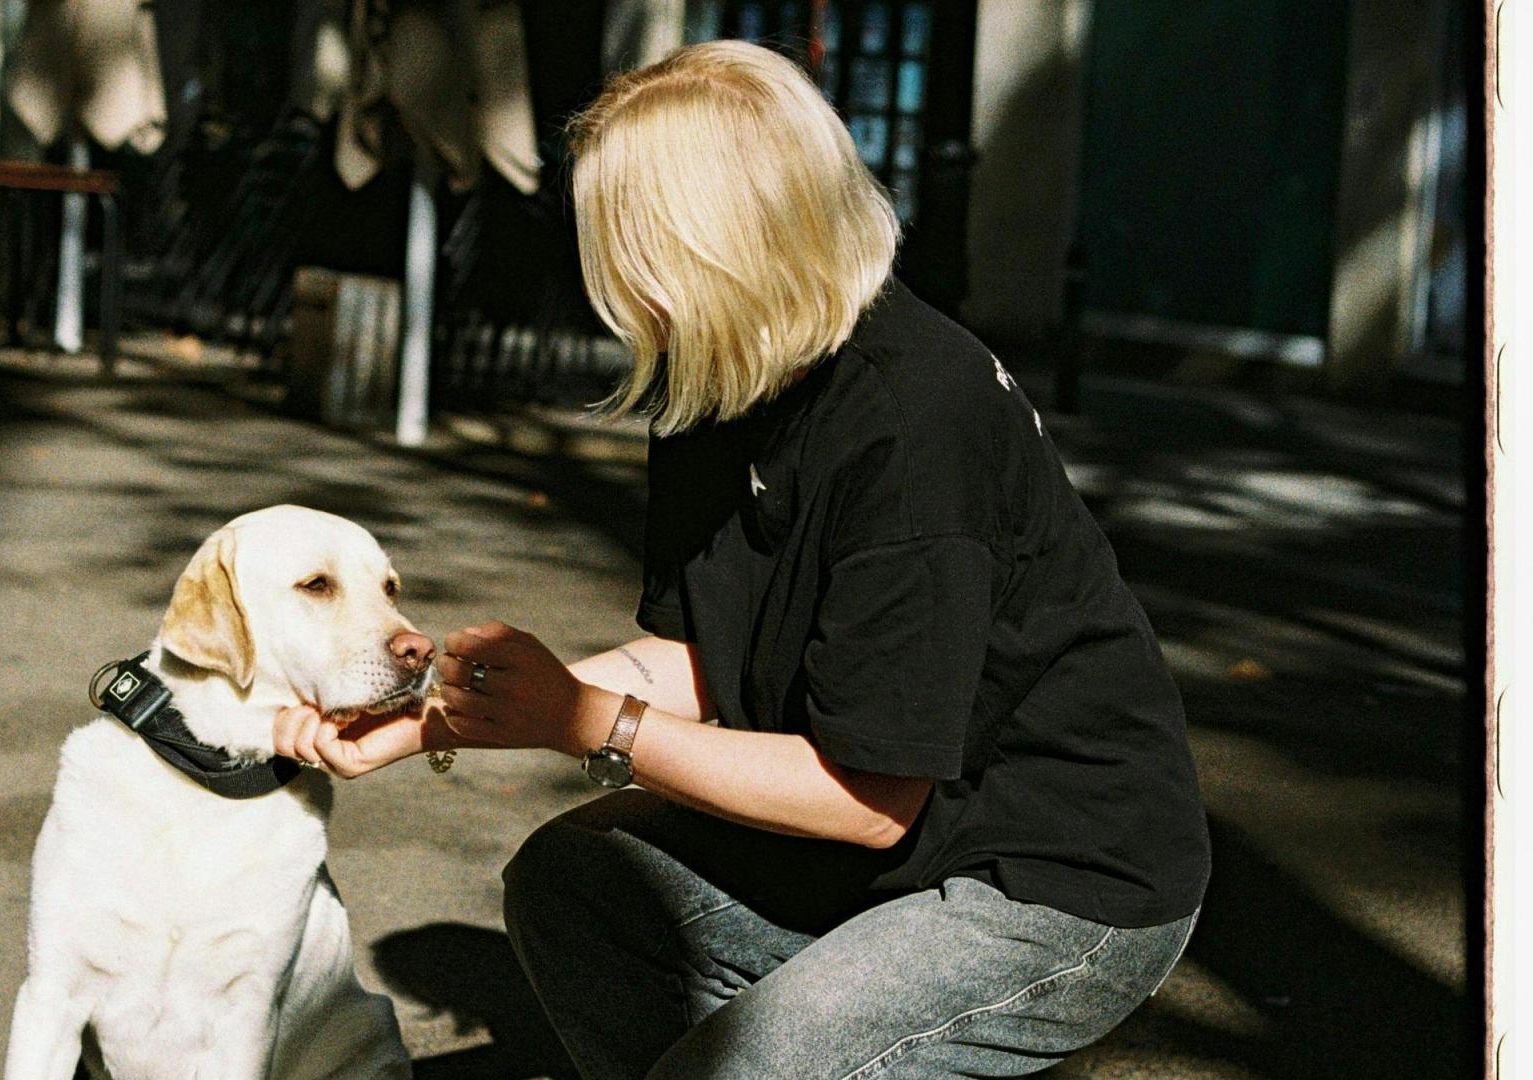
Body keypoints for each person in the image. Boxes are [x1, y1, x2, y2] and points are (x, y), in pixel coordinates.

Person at [272, 39, 1210, 1080]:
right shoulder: (721, 374)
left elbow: (863, 799)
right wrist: (444, 714)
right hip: (894, 841)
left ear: (709, 245)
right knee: (576, 884)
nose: (614, 287)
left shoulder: (913, 425)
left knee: (739, 1068)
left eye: (627, 248)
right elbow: (703, 655)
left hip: (1053, 877)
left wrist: (589, 725)